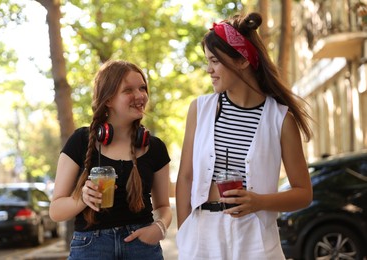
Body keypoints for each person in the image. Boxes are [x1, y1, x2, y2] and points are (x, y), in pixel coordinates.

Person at [175, 12, 313, 260]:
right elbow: (185, 177)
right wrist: (185, 233)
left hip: (255, 239)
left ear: (242, 61)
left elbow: (303, 193)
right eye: (208, 61)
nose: (209, 70)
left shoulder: (280, 119)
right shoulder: (200, 109)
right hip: (202, 237)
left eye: (215, 61)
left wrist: (259, 201)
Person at [49, 60, 172, 260]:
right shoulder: (80, 140)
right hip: (90, 247)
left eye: (142, 88)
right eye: (128, 90)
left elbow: (163, 207)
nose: (140, 96)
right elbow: (56, 211)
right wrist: (82, 198)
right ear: (108, 99)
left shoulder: (156, 147)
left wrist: (159, 227)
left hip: (141, 246)